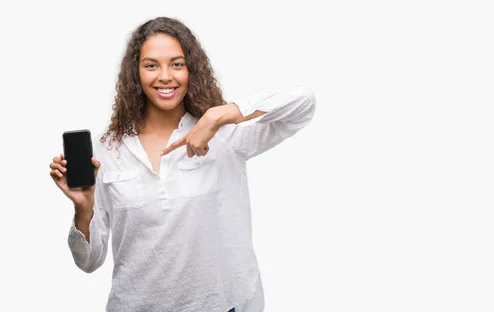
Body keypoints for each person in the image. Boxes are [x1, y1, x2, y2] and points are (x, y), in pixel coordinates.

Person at [48, 16, 315, 312]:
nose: (165, 76)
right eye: (151, 65)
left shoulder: (225, 135)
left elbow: (303, 103)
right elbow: (88, 262)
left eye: (177, 64)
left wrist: (219, 115)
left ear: (192, 70)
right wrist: (84, 207)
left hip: (222, 305)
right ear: (135, 74)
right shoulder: (106, 150)